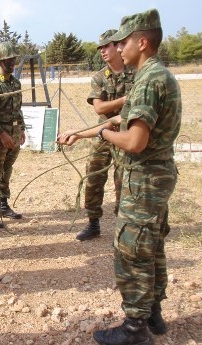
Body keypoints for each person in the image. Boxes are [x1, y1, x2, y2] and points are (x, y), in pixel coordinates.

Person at [58, 9, 181, 345]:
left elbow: (133, 141)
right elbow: (115, 122)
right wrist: (81, 134)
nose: (119, 47)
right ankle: (153, 310)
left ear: (142, 42)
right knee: (152, 246)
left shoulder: (148, 80)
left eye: (124, 41)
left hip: (143, 180)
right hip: (155, 179)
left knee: (133, 250)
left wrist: (102, 137)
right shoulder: (153, 76)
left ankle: (134, 328)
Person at [76, 29, 135, 241]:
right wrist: (124, 100)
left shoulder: (136, 72)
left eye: (106, 46)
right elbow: (99, 109)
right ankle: (93, 223)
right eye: (100, 47)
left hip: (127, 135)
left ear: (118, 46)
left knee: (124, 180)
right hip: (103, 133)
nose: (102, 51)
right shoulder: (100, 77)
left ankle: (123, 228)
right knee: (93, 176)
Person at [0, 41, 26, 229]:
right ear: (0, 61)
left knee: (6, 170)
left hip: (14, 135)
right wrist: (2, 135)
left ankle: (2, 203)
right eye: (8, 59)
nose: (12, 62)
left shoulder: (16, 83)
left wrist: (22, 129)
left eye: (13, 59)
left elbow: (18, 110)